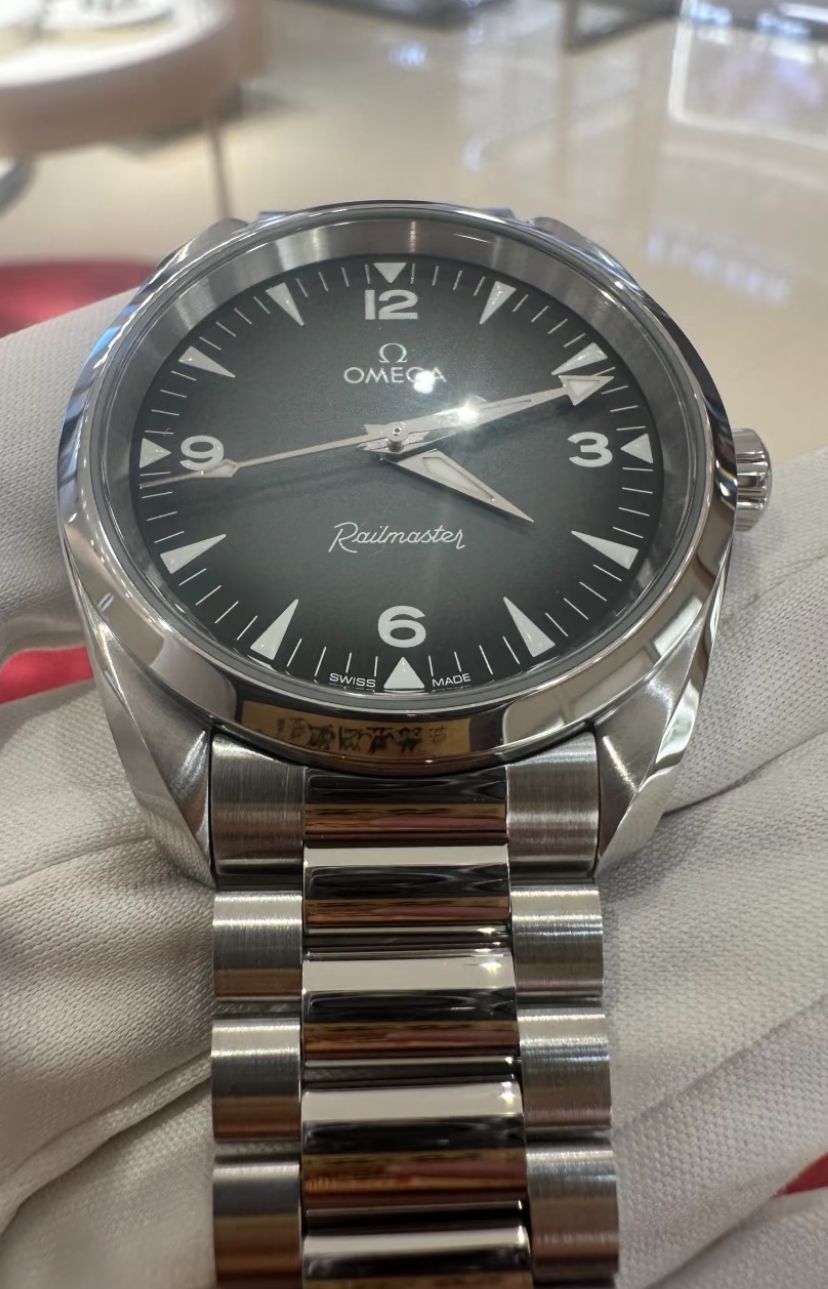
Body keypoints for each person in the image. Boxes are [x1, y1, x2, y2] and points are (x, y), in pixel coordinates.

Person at [0, 296, 826, 1287]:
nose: (396, 449)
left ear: (728, 476)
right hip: (266, 736)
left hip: (460, 743)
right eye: (386, 445)